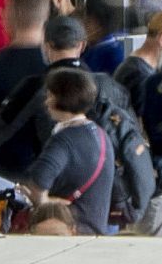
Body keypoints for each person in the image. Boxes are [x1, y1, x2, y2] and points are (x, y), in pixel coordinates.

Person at [22, 68, 121, 233]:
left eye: (50, 95)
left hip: (68, 230)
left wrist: (47, 202)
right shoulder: (100, 134)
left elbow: (38, 184)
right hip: (97, 228)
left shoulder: (64, 140)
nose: (46, 102)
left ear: (58, 98)